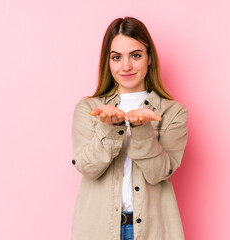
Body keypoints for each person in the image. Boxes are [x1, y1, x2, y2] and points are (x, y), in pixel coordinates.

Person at [71, 16, 189, 240]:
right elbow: (88, 167)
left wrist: (143, 130)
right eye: (117, 57)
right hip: (99, 230)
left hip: (153, 230)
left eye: (135, 55)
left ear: (149, 58)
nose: (126, 66)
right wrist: (110, 127)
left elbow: (159, 173)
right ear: (108, 62)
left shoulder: (173, 112)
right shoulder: (89, 109)